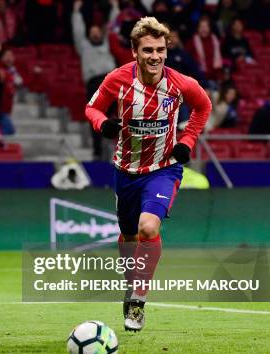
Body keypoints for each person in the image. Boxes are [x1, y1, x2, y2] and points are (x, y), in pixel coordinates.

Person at [85, 17, 211, 332]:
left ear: (166, 51)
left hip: (163, 169)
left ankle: (139, 299)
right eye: (147, 50)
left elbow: (203, 105)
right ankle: (132, 287)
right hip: (125, 171)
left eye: (160, 49)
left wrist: (187, 140)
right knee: (128, 236)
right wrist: (103, 124)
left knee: (148, 227)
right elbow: (92, 108)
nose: (154, 56)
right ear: (134, 52)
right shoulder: (117, 80)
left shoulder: (181, 83)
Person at [72, 0, 118, 159]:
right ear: (89, 34)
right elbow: (77, 31)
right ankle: (97, 152)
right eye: (92, 32)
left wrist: (115, 7)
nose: (95, 34)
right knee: (96, 119)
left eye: (97, 32)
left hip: (111, 83)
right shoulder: (84, 47)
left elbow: (113, 26)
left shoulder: (107, 44)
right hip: (94, 85)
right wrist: (77, 12)